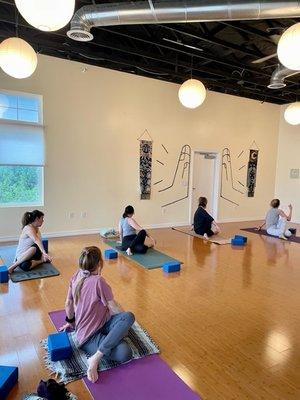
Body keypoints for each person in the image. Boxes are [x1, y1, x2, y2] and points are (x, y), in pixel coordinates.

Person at [59, 246, 135, 383]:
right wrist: (123, 326)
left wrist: (70, 322)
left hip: (101, 323)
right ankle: (95, 358)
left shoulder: (76, 275)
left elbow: (68, 304)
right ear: (100, 263)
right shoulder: (99, 281)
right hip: (88, 338)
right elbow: (113, 307)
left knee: (127, 318)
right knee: (125, 352)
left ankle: (108, 341)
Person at [8, 210, 51, 274]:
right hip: (23, 254)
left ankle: (41, 260)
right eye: (42, 218)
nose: (43, 221)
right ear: (37, 219)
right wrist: (44, 253)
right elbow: (36, 240)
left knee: (35, 247)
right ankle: (42, 260)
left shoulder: (36, 228)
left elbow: (39, 242)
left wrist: (42, 253)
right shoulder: (28, 228)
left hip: (34, 253)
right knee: (25, 266)